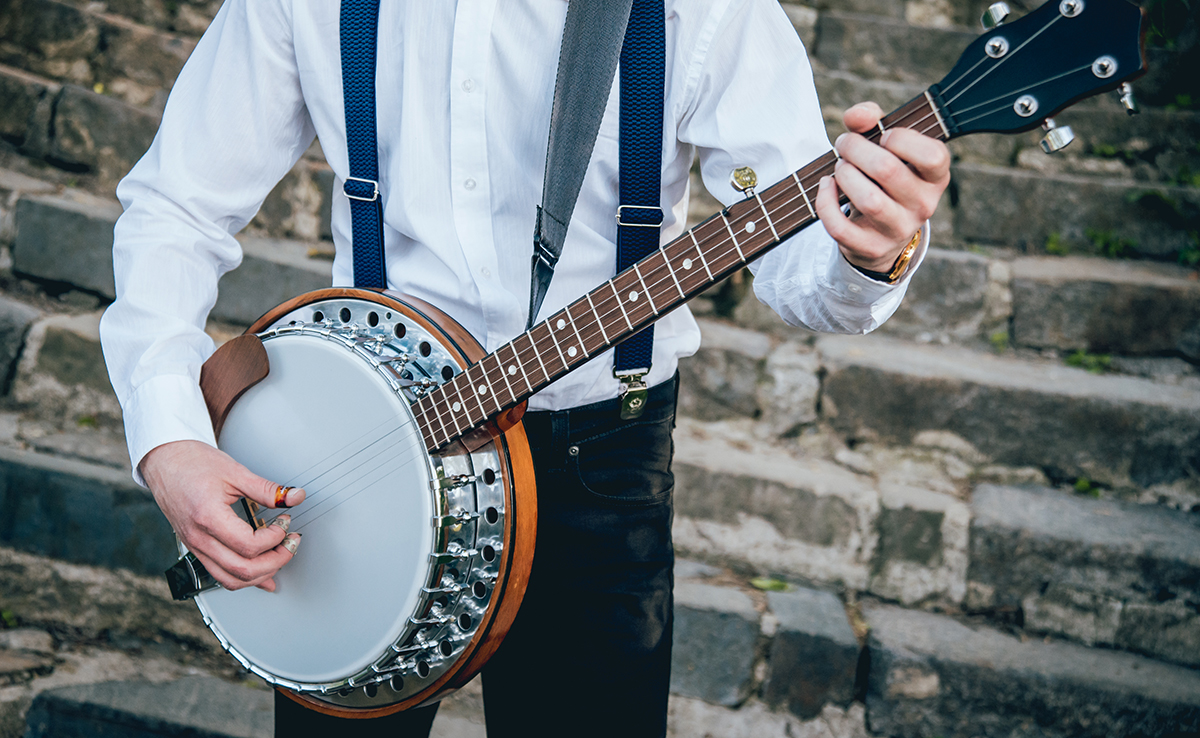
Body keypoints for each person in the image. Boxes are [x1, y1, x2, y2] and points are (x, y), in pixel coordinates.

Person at [100, 0, 950, 736]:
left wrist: (869, 252)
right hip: (353, 459)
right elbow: (177, 205)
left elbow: (806, 271)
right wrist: (168, 436)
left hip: (595, 471)